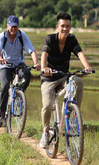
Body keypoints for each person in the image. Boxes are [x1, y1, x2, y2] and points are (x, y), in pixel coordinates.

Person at [39, 12, 92, 148]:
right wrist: (44, 68)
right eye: (62, 26)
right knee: (47, 105)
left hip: (63, 76)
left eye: (67, 26)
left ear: (70, 27)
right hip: (48, 78)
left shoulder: (72, 39)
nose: (65, 29)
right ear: (57, 27)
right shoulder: (50, 39)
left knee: (78, 82)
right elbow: (44, 54)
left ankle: (75, 116)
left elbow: (79, 53)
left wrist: (87, 67)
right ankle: (45, 132)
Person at [0, 15, 40, 126]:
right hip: (5, 65)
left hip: (19, 63)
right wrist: (0, 59)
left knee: (27, 74)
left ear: (18, 27)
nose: (14, 29)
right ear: (7, 26)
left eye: (16, 27)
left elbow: (31, 50)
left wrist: (36, 63)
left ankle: (19, 93)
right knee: (5, 86)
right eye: (11, 26)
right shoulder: (2, 36)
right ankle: (1, 116)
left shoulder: (22, 35)